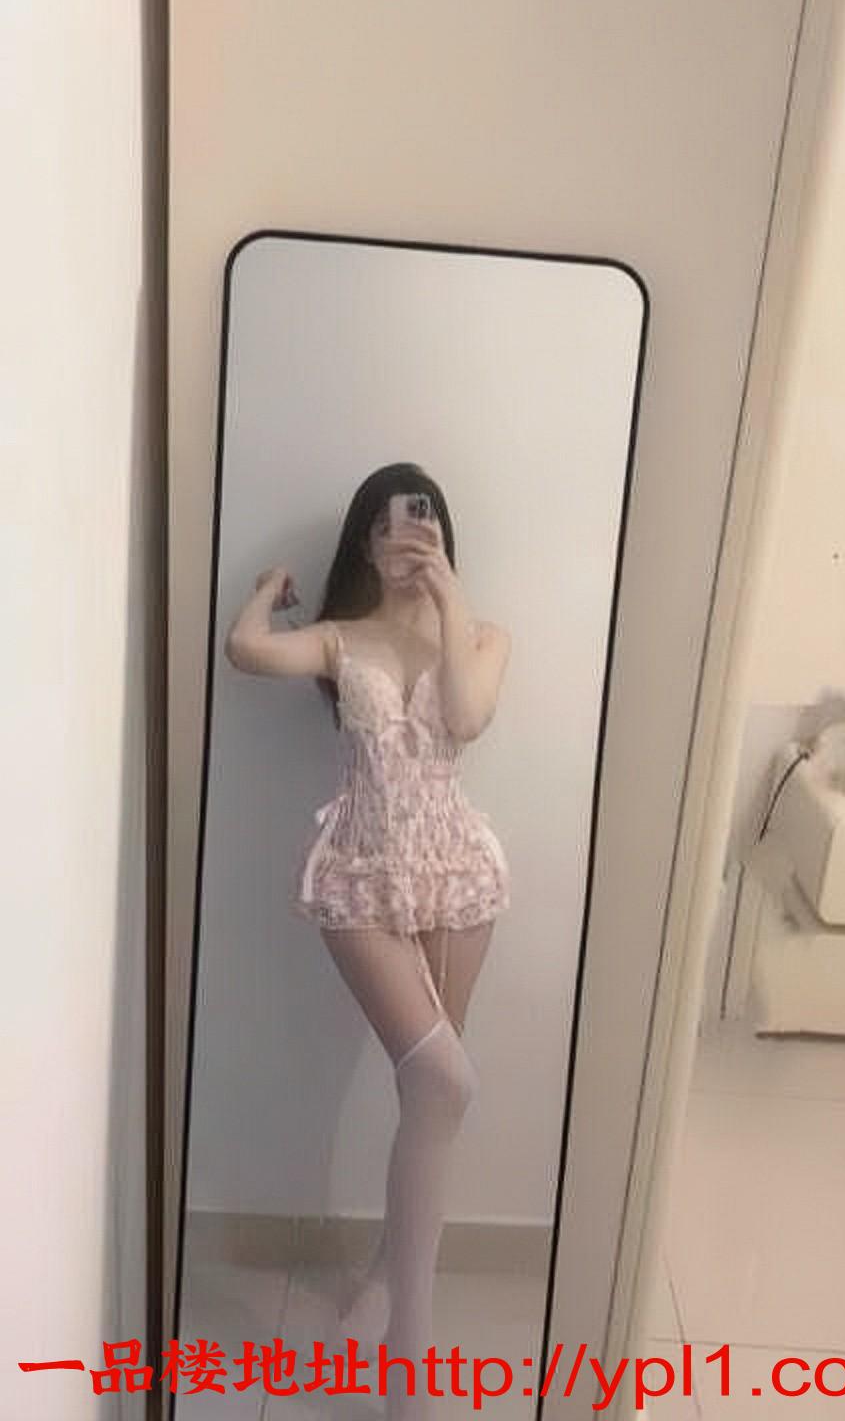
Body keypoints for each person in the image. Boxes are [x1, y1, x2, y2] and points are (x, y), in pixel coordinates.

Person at [224, 461, 511, 1418]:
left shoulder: (483, 636)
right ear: (364, 542)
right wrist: (270, 587)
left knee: (431, 1101)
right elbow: (246, 651)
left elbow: (465, 718)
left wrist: (450, 597)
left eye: (421, 524)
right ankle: (407, 1359)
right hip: (359, 874)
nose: (405, 540)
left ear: (443, 536)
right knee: (444, 1080)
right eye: (387, 528)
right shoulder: (339, 637)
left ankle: (390, 1280)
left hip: (459, 878)